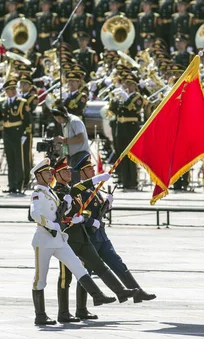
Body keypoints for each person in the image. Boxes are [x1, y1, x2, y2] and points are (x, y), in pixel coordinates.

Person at [28, 158, 116, 326]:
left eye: (49, 172)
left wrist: (68, 208)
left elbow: (61, 210)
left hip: (59, 239)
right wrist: (52, 224)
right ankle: (40, 315)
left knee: (78, 266)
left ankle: (97, 295)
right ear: (39, 176)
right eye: (46, 172)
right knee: (40, 279)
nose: (49, 175)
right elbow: (34, 214)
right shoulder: (38, 193)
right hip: (44, 240)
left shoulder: (50, 192)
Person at [77, 155, 157, 303]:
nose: (93, 171)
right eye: (89, 169)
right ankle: (81, 307)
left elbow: (99, 211)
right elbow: (78, 214)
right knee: (85, 272)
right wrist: (91, 222)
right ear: (82, 173)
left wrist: (107, 204)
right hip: (89, 237)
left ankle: (137, 292)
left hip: (101, 236)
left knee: (118, 264)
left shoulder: (95, 189)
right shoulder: (80, 191)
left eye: (92, 168)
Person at [0, 78, 31, 194]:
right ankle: (11, 185)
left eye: (14, 88)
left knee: (18, 160)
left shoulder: (22, 102)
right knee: (10, 161)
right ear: (6, 91)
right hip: (7, 133)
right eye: (10, 89)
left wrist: (26, 133)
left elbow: (28, 120)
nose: (13, 90)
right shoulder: (3, 103)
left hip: (18, 132)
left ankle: (19, 185)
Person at [51, 107, 90, 184]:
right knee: (71, 181)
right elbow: (66, 142)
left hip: (80, 155)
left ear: (64, 115)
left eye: (59, 118)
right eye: (56, 118)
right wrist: (63, 155)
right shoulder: (64, 123)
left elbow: (80, 139)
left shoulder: (75, 121)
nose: (58, 121)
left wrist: (63, 140)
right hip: (71, 156)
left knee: (76, 182)